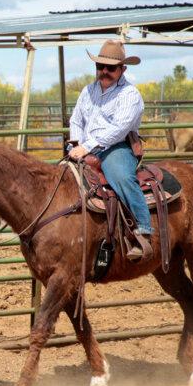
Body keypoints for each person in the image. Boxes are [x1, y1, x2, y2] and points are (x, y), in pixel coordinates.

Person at [67, 40, 154, 260]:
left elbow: (118, 130)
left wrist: (87, 146)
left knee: (122, 177)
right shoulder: (88, 91)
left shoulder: (130, 95)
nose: (104, 72)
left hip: (116, 148)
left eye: (111, 68)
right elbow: (76, 119)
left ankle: (144, 229)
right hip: (85, 148)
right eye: (100, 67)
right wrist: (76, 143)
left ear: (123, 69)